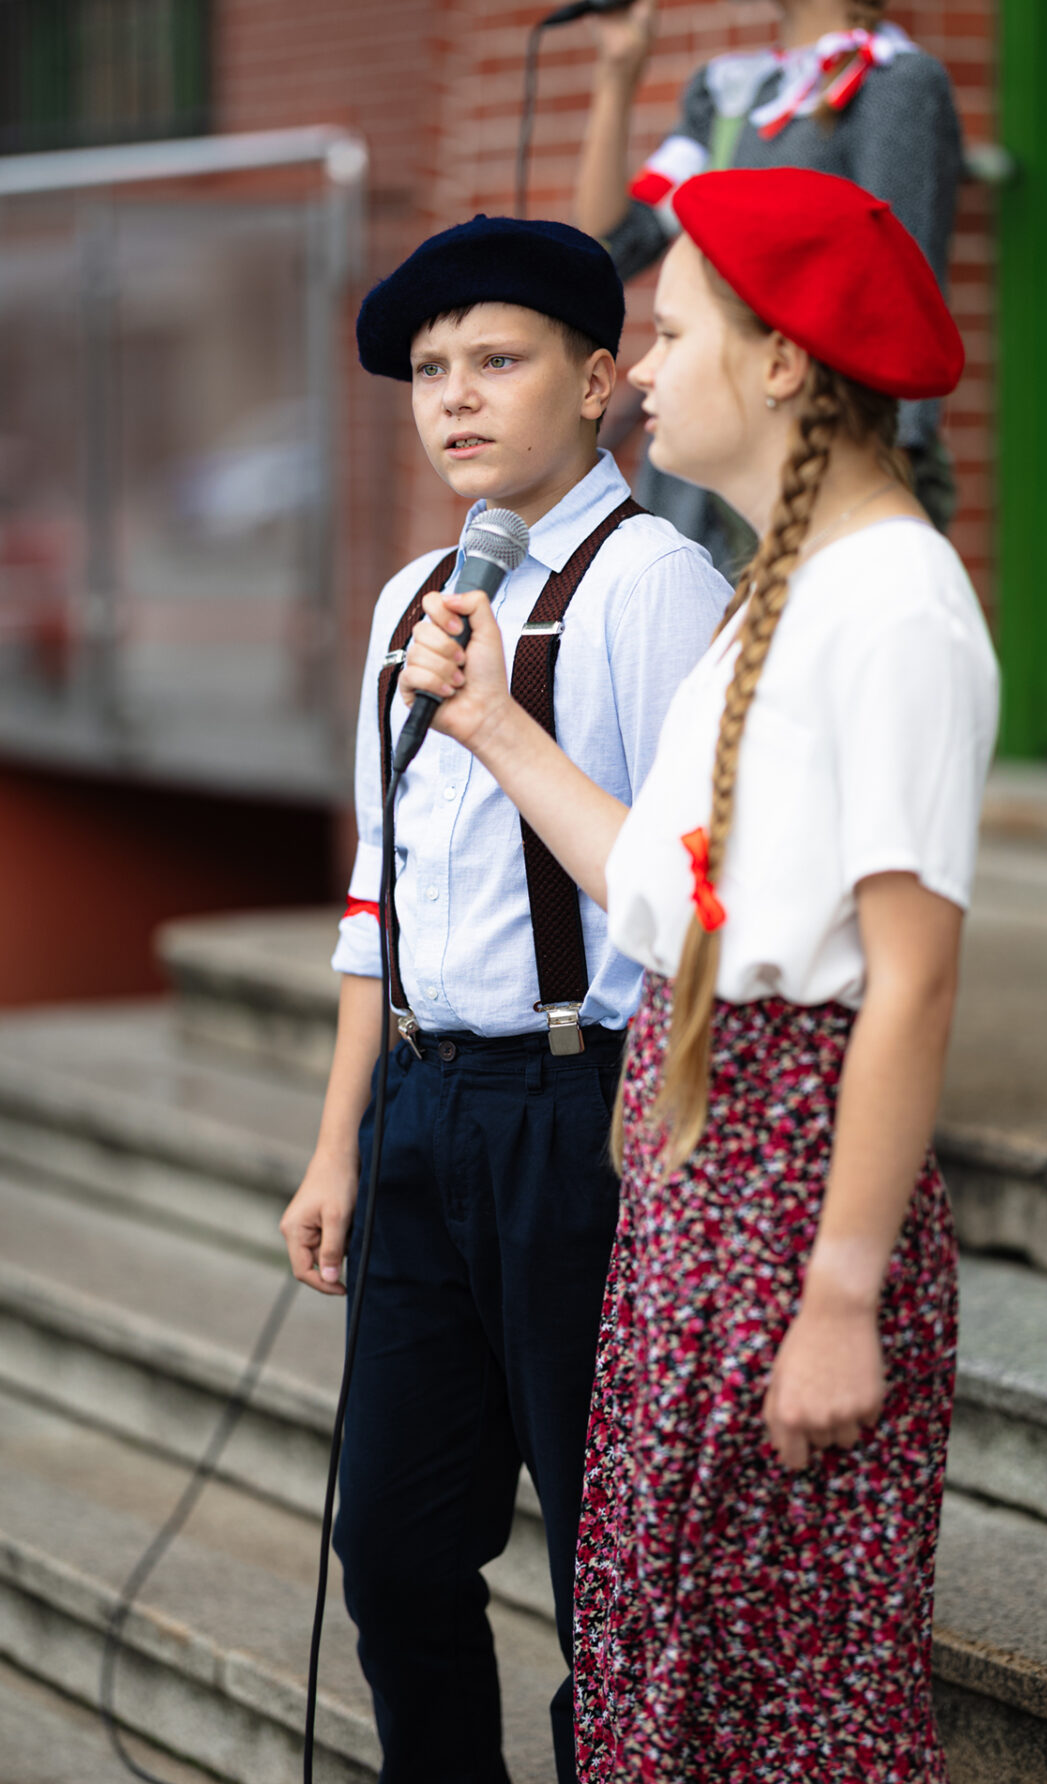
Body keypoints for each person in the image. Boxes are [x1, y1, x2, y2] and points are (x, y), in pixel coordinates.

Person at [398, 167, 999, 1781]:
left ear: (785, 359)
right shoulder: (775, 594)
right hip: (698, 1184)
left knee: (789, 1698)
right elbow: (664, 892)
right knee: (673, 1660)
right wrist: (492, 726)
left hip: (792, 1181)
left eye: (674, 332)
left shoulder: (895, 602)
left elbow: (910, 982)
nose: (645, 370)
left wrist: (842, 1296)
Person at [279, 212, 730, 1784]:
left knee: (606, 1559)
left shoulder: (654, 584)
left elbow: (692, 893)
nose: (455, 396)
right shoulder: (416, 594)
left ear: (601, 379)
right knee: (393, 1546)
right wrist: (339, 1142)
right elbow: (379, 890)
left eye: (497, 360)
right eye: (429, 370)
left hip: (576, 1108)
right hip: (421, 1105)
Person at [575, 0, 963, 547]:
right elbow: (612, 245)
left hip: (813, 469)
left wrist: (890, 477)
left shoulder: (892, 85)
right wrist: (618, 70)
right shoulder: (732, 93)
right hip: (706, 467)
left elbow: (898, 302)